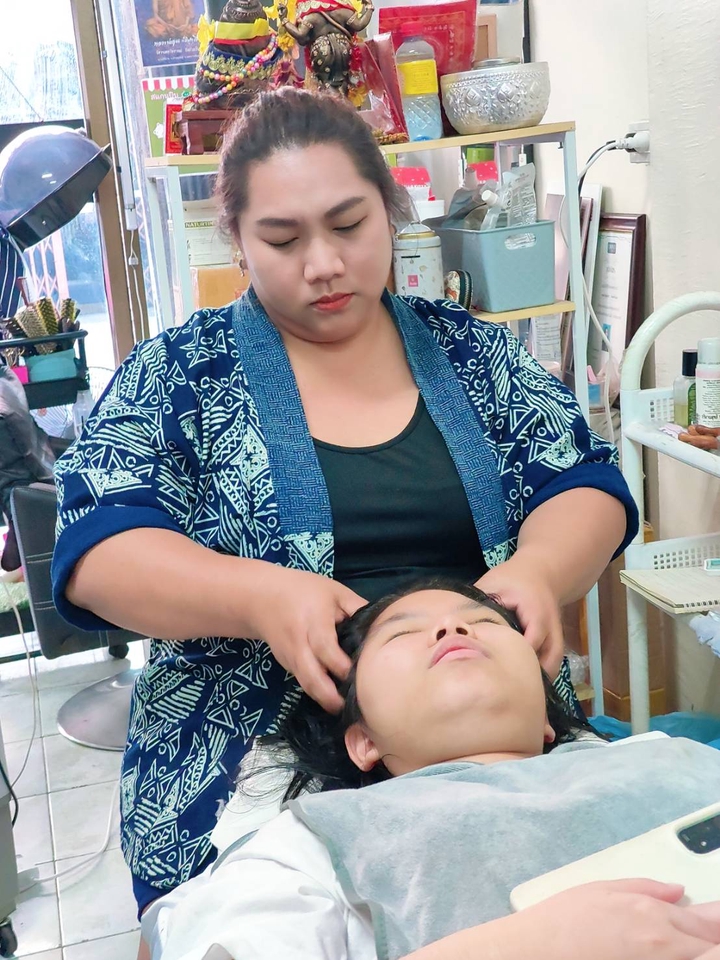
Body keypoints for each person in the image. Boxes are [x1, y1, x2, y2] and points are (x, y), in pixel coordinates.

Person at [50, 87, 638, 920]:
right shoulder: (179, 377)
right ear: (237, 241)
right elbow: (98, 549)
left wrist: (540, 570)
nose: (323, 264)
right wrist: (259, 597)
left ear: (389, 212)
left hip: (494, 750)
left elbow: (582, 482)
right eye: (282, 240)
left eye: (349, 226)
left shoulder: (473, 354)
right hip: (248, 770)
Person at [143, 579, 720, 960]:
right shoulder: (313, 847)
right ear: (364, 741)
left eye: (486, 622)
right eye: (402, 633)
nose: (453, 630)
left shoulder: (662, 755)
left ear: (549, 722)